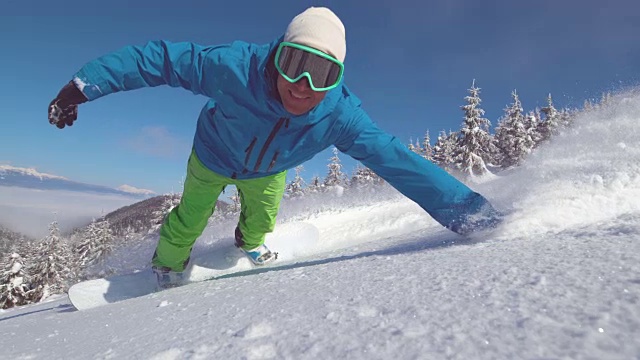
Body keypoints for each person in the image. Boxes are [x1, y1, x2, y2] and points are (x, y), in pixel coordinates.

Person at [48, 7, 501, 288]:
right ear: (277, 54)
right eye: (295, 64)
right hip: (213, 155)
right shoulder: (233, 67)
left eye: (322, 74)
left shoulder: (340, 116)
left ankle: (249, 241)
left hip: (269, 169)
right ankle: (169, 262)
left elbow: (398, 162)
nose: (302, 86)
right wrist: (84, 86)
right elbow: (162, 59)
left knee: (263, 216)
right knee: (191, 217)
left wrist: (470, 214)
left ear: (337, 81)